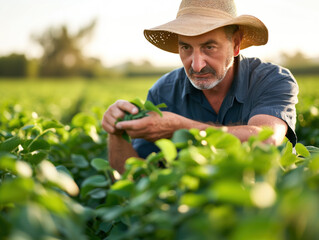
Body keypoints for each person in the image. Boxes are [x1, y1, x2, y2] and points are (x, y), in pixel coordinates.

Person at [102, 0, 299, 173]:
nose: (196, 65)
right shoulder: (163, 91)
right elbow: (137, 179)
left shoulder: (271, 80)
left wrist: (181, 127)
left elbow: (267, 140)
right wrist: (117, 132)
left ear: (236, 44)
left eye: (209, 47)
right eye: (186, 47)